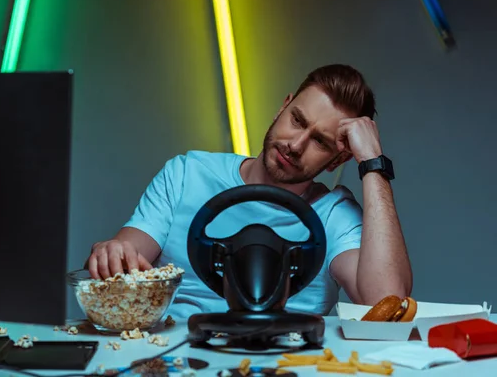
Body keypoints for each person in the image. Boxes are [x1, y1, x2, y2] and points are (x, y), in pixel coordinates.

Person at [85, 64, 413, 318]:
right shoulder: (188, 173)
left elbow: (385, 302)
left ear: (337, 159)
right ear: (282, 108)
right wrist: (113, 253)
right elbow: (125, 257)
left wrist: (373, 164)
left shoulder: (334, 213)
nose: (296, 145)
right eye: (297, 121)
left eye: (320, 141)